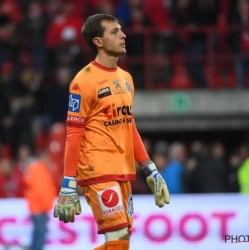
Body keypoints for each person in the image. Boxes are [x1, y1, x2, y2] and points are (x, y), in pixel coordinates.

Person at [53, 14, 170, 250]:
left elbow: (130, 126)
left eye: (121, 30)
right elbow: (73, 134)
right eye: (115, 32)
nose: (123, 35)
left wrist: (151, 169)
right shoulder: (82, 81)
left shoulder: (126, 79)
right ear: (98, 41)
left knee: (121, 241)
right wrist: (68, 183)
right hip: (97, 169)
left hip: (123, 169)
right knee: (116, 235)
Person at [23, 150, 57, 250]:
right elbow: (40, 191)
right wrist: (46, 204)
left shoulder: (39, 169)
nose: (48, 161)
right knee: (40, 235)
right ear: (42, 158)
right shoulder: (38, 170)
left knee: (38, 234)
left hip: (38, 207)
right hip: (39, 208)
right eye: (47, 158)